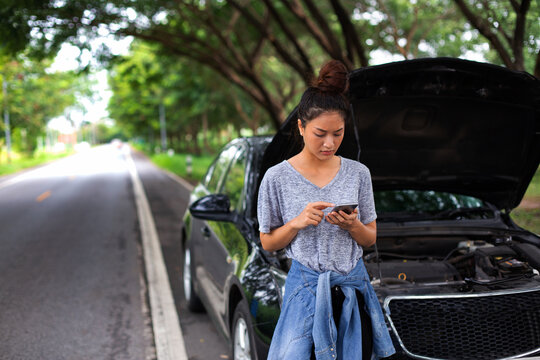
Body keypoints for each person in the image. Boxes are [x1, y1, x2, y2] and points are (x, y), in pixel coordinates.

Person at [257, 60, 396, 359]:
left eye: (338, 133)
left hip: (353, 292)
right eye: (320, 133)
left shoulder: (359, 173)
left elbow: (369, 238)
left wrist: (352, 226)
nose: (329, 143)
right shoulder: (277, 177)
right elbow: (267, 242)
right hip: (305, 292)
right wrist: (296, 223)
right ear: (301, 126)